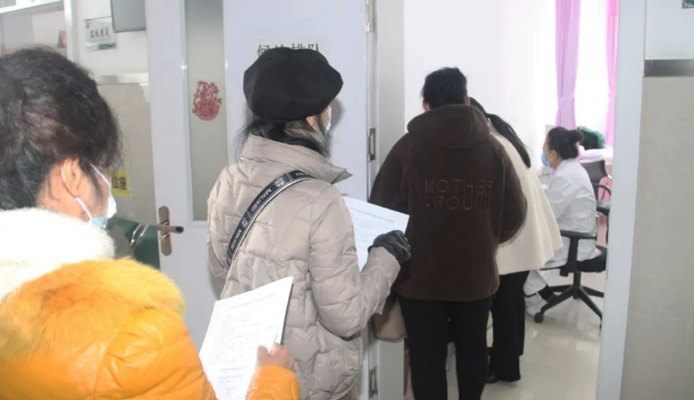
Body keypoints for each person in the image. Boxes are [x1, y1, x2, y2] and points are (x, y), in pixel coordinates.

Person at [0, 48, 299, 400]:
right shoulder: (133, 339)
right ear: (72, 177)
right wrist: (274, 379)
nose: (107, 182)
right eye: (103, 167)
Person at [207, 48, 410, 400]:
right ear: (313, 120)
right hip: (310, 379)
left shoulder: (229, 179)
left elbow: (221, 268)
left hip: (254, 370)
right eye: (327, 109)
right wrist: (385, 257)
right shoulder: (321, 198)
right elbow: (346, 316)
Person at [370, 68, 527, 400]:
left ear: (426, 106)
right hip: (476, 275)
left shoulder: (408, 148)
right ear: (466, 101)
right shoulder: (493, 149)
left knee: (426, 359)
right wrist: (484, 237)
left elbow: (380, 210)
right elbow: (515, 213)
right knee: (473, 350)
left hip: (419, 279)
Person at [470, 99, 562, 383]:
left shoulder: (491, 146)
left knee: (504, 306)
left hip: (513, 237)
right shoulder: (503, 139)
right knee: (511, 303)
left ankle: (505, 367)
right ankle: (510, 357)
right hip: (523, 236)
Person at [524, 127, 602, 309]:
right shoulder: (572, 169)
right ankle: (540, 293)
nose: (543, 152)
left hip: (572, 242)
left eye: (544, 148)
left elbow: (549, 215)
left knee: (520, 252)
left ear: (553, 153)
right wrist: (538, 189)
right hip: (576, 236)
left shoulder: (566, 176)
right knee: (523, 248)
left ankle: (538, 296)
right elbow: (557, 197)